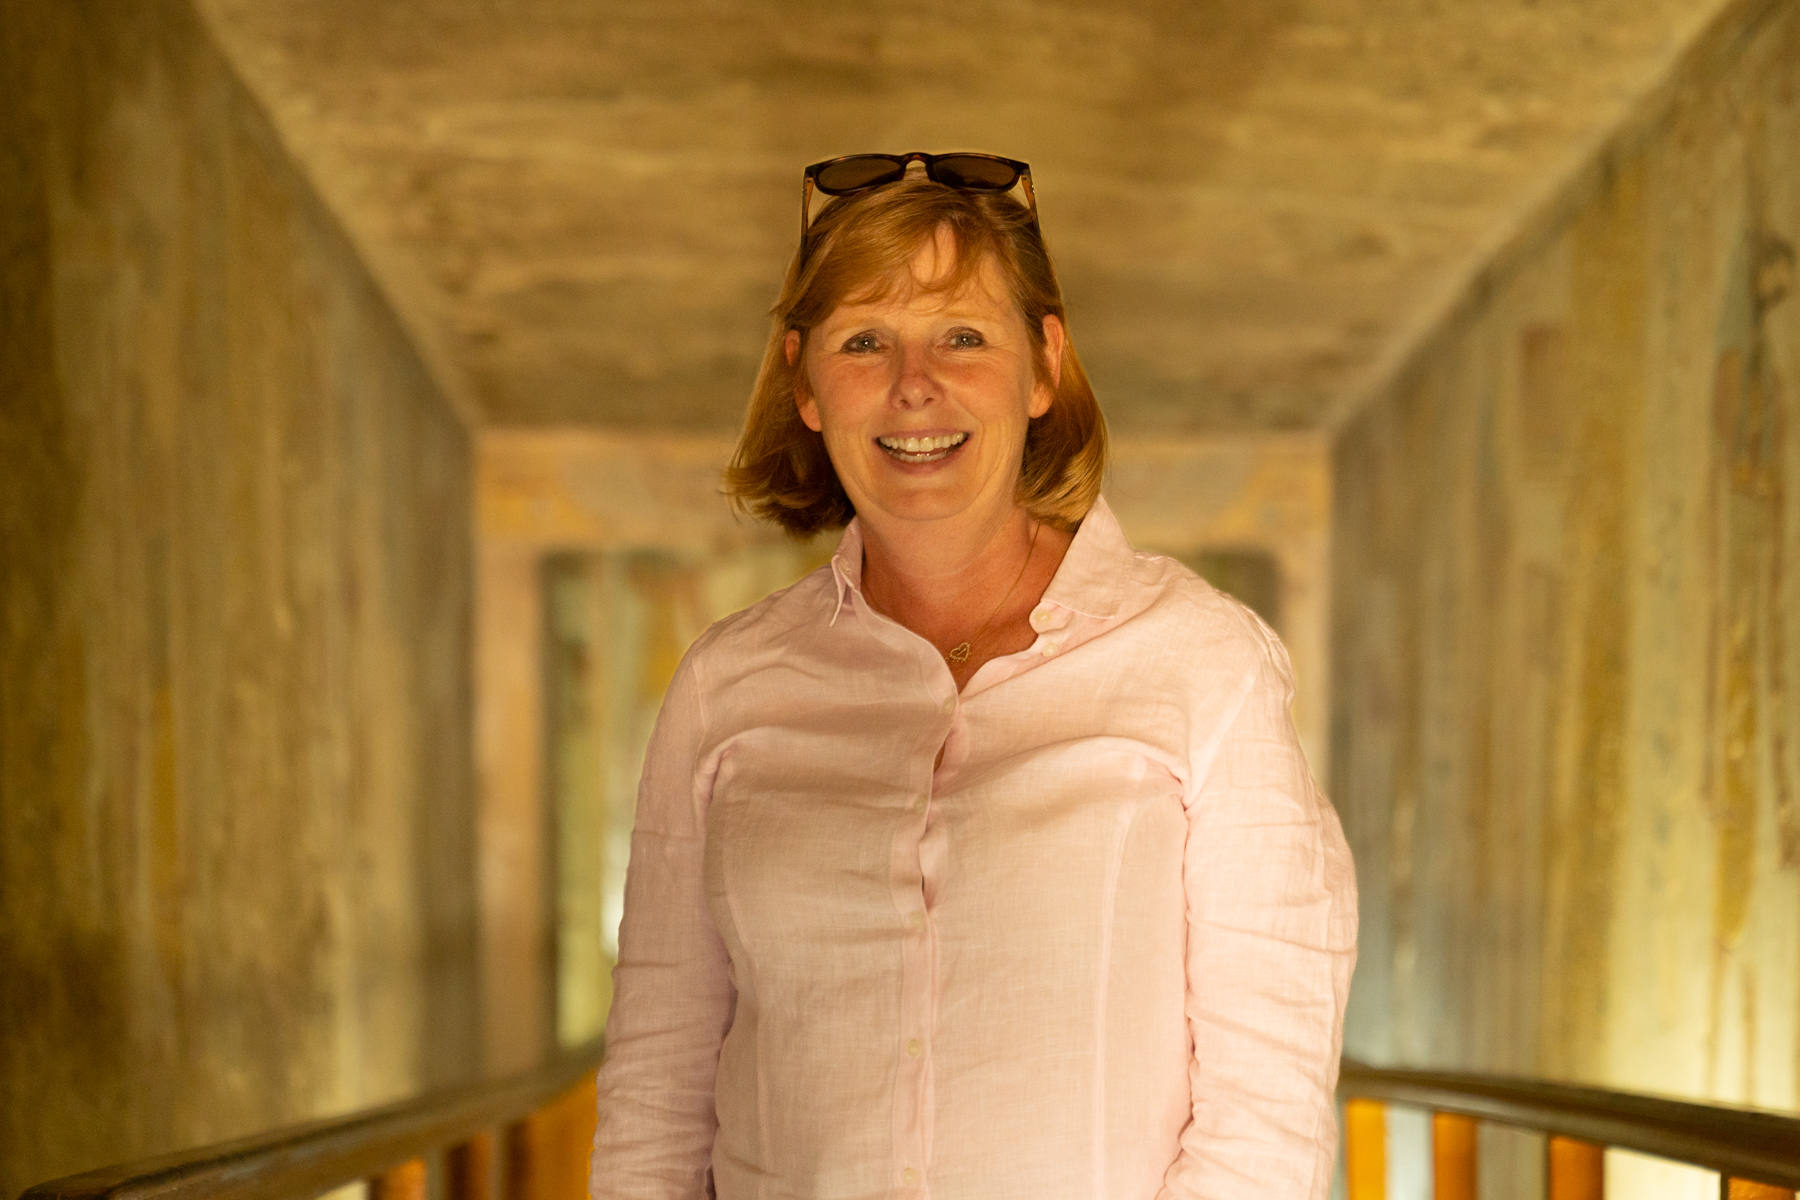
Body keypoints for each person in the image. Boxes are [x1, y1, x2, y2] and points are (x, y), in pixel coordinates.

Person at [589, 152, 1357, 1200]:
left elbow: (1265, 1102)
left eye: (962, 335)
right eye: (866, 340)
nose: (916, 385)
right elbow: (658, 1079)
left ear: (1042, 367)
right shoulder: (728, 685)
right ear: (804, 382)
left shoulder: (1202, 663)